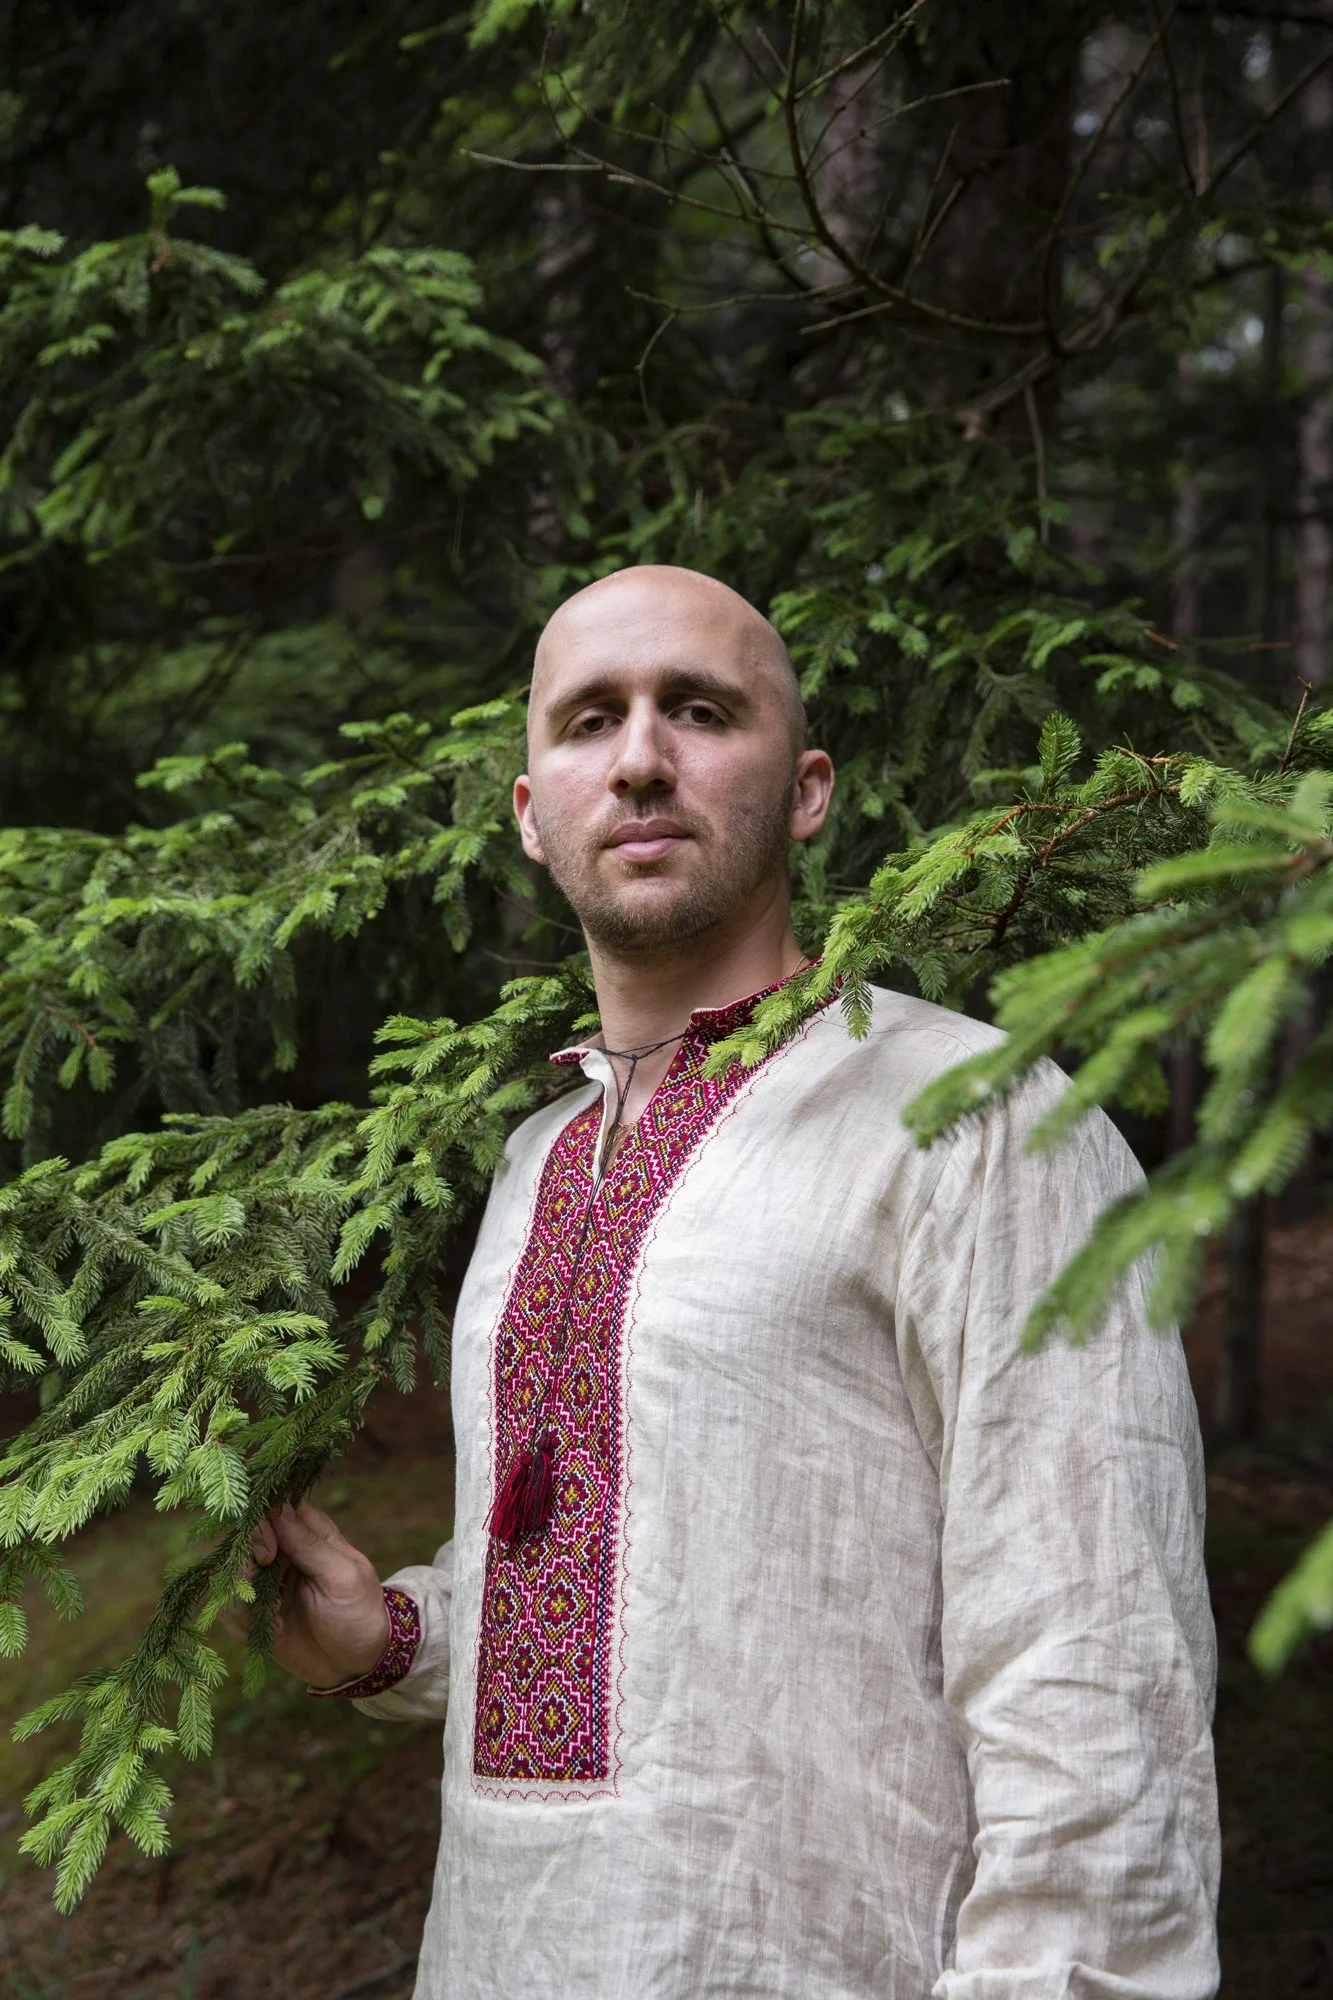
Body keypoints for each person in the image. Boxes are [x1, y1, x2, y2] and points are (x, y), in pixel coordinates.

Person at [247, 565, 1220, 1998]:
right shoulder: (537, 1163)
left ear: (808, 789)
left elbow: (1097, 1663)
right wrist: (390, 1636)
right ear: (532, 812)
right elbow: (640, 1609)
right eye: (589, 721)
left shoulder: (981, 1117)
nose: (641, 757)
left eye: (699, 710)